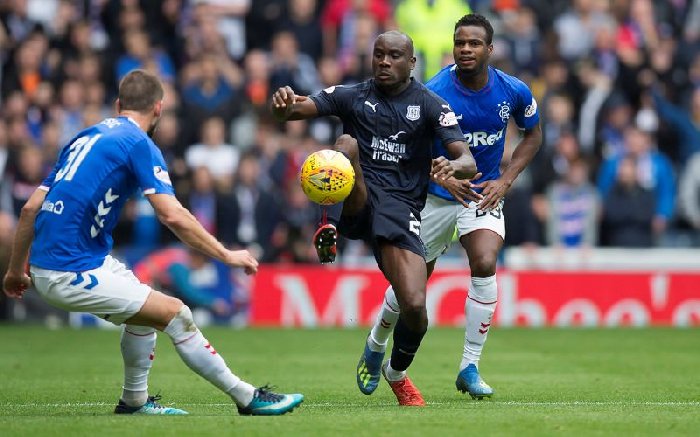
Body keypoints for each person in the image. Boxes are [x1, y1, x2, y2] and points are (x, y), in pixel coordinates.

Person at [2, 70, 303, 416]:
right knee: (178, 314)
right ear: (158, 109)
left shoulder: (84, 137)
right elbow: (172, 215)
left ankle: (134, 402)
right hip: (71, 268)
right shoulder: (139, 144)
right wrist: (225, 254)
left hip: (69, 260)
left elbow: (29, 209)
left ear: (118, 105)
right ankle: (247, 397)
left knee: (143, 315)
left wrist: (15, 270)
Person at [271, 31, 477, 406]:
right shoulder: (353, 95)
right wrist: (283, 102)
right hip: (358, 197)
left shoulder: (431, 105)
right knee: (346, 145)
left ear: (411, 63)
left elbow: (467, 159)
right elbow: (294, 110)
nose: (384, 61)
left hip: (400, 210)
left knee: (414, 307)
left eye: (394, 56)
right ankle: (327, 224)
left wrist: (455, 164)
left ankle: (395, 372)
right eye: (378, 54)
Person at [357, 14, 542, 400]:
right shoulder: (434, 91)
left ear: (489, 50)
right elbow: (405, 148)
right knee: (410, 289)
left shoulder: (514, 91)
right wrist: (440, 176)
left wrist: (505, 180)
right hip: (432, 199)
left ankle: (469, 367)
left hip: (481, 195)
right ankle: (376, 343)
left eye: (474, 44)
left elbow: (533, 134)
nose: (465, 49)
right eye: (460, 43)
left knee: (485, 262)